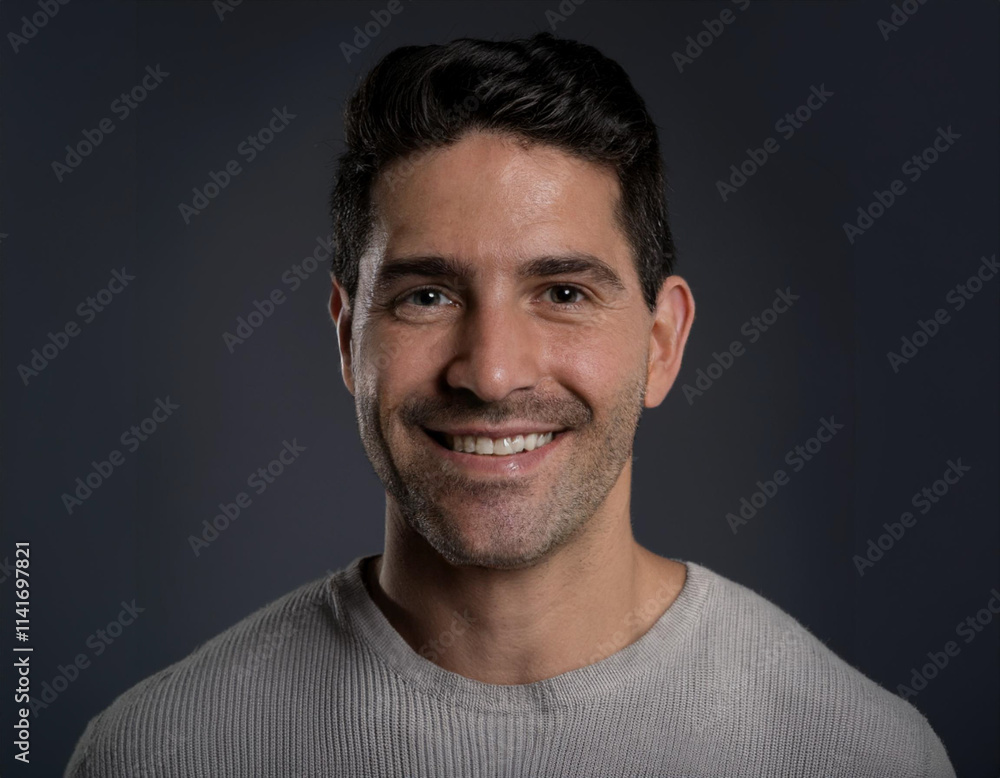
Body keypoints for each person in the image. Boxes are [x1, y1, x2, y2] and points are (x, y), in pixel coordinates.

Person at [65, 32, 956, 777]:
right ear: (347, 339)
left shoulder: (858, 753)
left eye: (563, 292)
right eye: (426, 296)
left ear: (661, 343)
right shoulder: (159, 752)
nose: (490, 375)